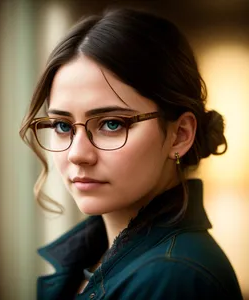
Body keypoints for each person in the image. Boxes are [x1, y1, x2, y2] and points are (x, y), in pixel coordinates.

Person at [20, 8, 243, 300]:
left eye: (112, 124)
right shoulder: (96, 259)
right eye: (62, 125)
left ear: (180, 135)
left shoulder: (174, 278)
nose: (77, 154)